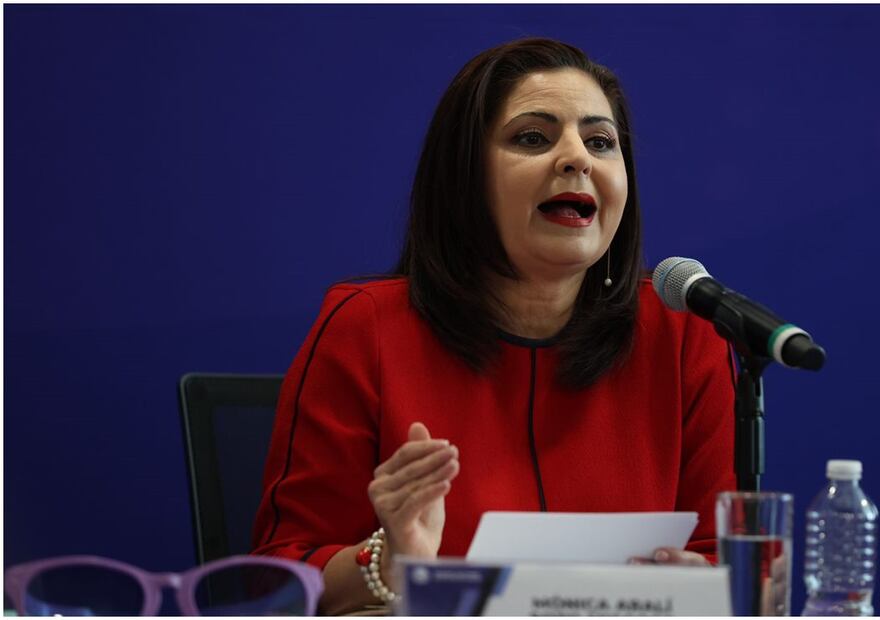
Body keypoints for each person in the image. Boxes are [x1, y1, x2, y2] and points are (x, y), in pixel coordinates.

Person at [251, 37, 736, 615]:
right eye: (532, 137)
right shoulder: (367, 328)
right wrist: (392, 560)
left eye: (600, 142)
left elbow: (731, 561)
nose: (577, 158)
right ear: (464, 178)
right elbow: (279, 580)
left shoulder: (684, 334)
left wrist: (705, 586)